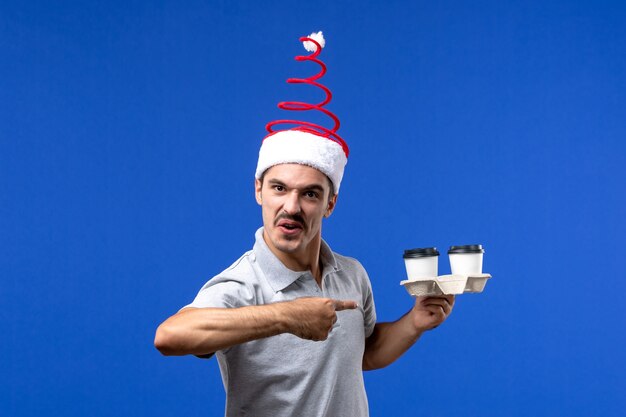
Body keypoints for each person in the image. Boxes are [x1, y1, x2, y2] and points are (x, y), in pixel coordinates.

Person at [154, 32, 455, 417]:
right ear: (258, 190)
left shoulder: (351, 274)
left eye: (310, 194)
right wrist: (287, 316)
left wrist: (415, 322)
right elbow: (170, 336)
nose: (291, 206)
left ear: (330, 203)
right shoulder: (244, 283)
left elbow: (364, 354)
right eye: (279, 188)